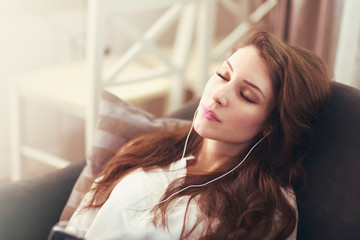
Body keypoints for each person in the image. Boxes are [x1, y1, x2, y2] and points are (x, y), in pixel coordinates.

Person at [66, 30, 332, 239]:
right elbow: (79, 224)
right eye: (222, 75)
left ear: (271, 124)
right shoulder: (149, 149)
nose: (219, 95)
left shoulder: (265, 212)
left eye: (246, 96)